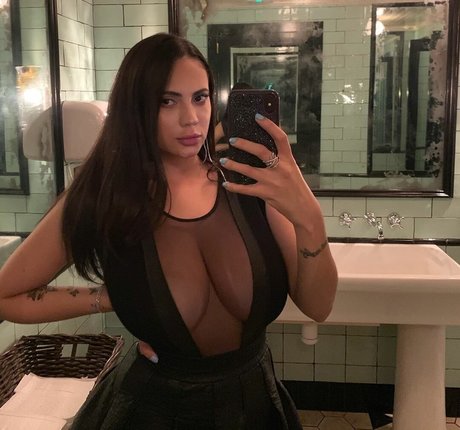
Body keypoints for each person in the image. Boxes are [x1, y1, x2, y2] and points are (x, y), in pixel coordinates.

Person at [0, 33, 337, 429]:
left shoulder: (250, 185)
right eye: (167, 101)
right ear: (136, 108)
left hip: (254, 406)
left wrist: (309, 218)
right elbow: (7, 295)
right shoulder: (105, 196)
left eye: (200, 97)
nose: (191, 118)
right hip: (149, 411)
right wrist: (113, 299)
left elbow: (318, 307)